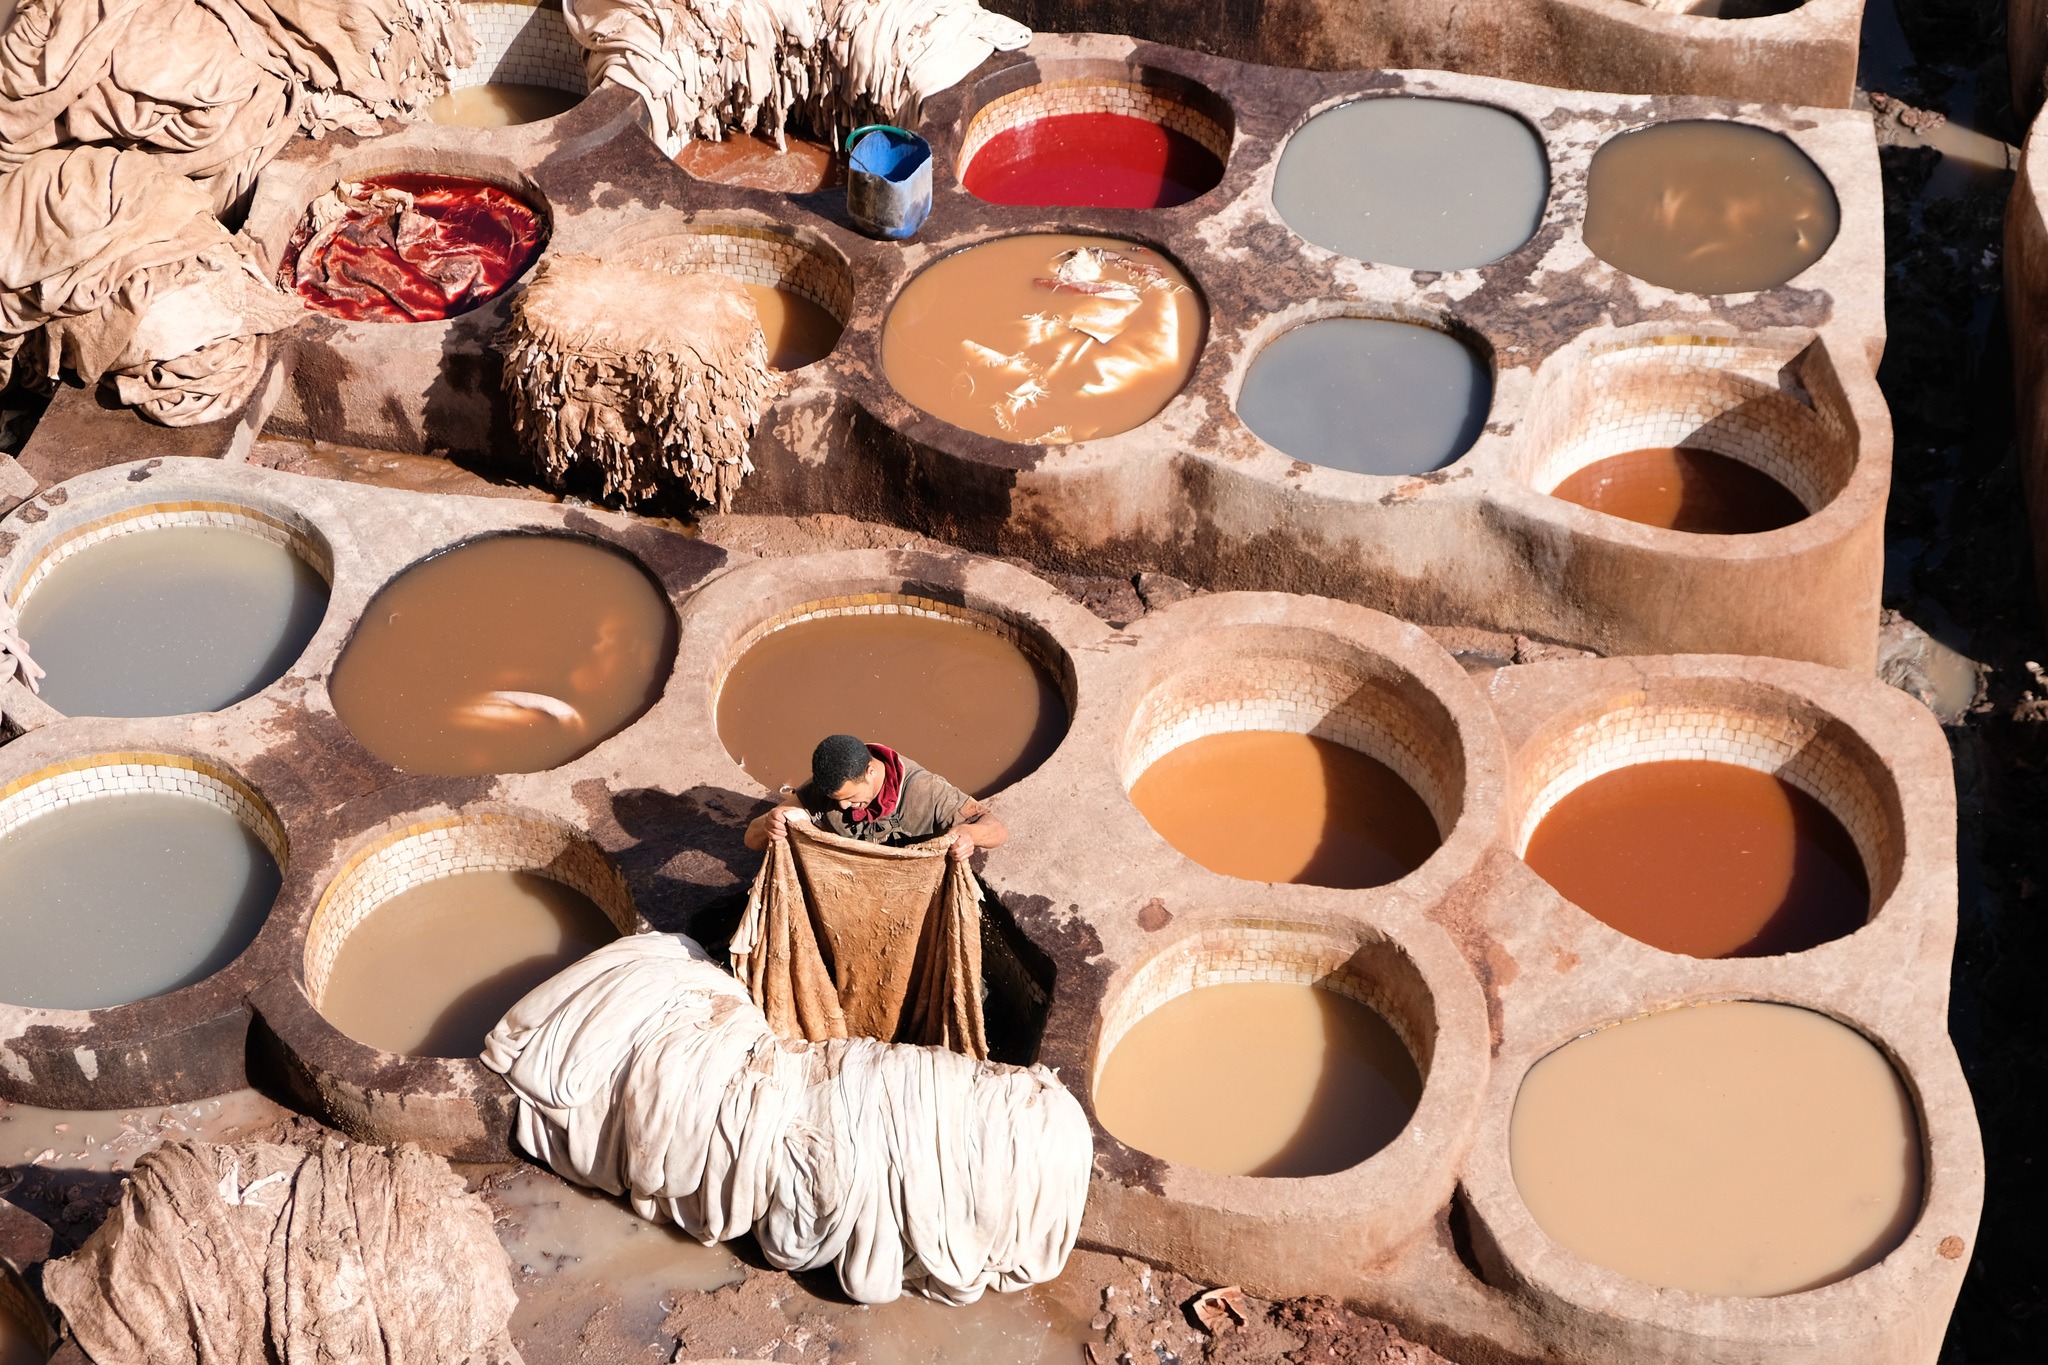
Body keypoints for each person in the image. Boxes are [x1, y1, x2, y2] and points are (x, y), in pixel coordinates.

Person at [743, 734, 1008, 862]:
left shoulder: (928, 792)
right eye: (836, 800)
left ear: (871, 772)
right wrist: (772, 823)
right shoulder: (827, 790)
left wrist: (968, 835)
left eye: (851, 798)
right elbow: (751, 838)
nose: (843, 806)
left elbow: (997, 830)